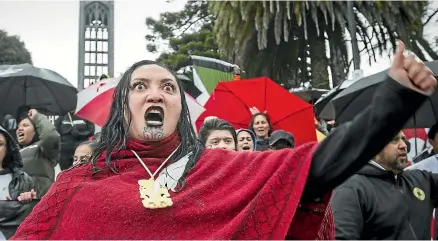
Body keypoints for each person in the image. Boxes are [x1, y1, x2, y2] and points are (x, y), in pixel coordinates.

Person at [12, 41, 437, 240]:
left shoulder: (223, 169)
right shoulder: (77, 185)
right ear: (122, 106)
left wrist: (393, 100)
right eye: (140, 86)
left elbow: (315, 167)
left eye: (168, 87)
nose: (156, 93)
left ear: (182, 109)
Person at [331, 131, 438, 239]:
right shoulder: (351, 189)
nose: (404, 145)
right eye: (394, 140)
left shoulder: (421, 179)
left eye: (403, 139)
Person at [0, 125, 37, 239]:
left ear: (7, 149)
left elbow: (34, 222)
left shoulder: (23, 179)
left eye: (0, 144)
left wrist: (30, 204)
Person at [16, 109, 60, 199]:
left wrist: (37, 117)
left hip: (40, 202)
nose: (20, 129)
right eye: (19, 126)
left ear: (35, 131)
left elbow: (50, 136)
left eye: (25, 125)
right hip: (19, 206)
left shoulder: (43, 148)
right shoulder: (13, 152)